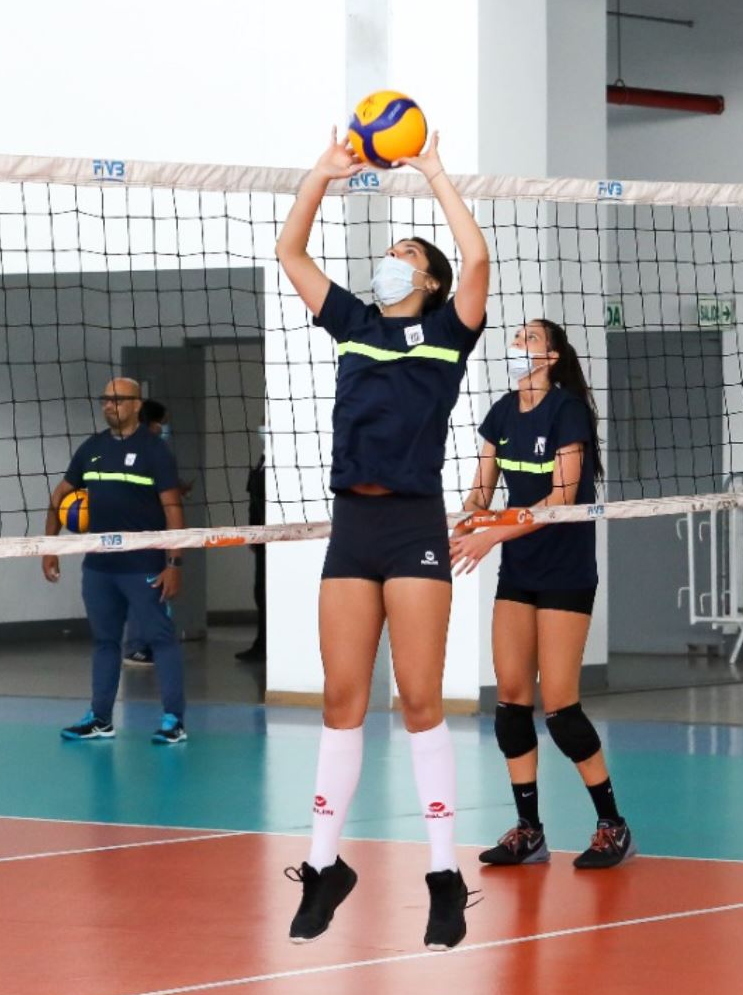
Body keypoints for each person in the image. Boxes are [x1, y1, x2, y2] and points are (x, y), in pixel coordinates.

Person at [275, 128, 489, 950]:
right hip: (353, 527)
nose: (390, 258)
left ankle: (443, 873)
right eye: (390, 249)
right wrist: (321, 174)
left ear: (427, 280)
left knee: (422, 700)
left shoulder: (449, 333)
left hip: (412, 524)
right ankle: (325, 865)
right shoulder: (354, 322)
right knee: (341, 701)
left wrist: (432, 170)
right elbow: (290, 251)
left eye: (406, 252)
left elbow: (476, 263)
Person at [453, 319, 634, 869]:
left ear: (552, 356)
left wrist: (492, 535)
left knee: (559, 706)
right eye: (515, 339)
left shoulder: (567, 410)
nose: (517, 346)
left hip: (565, 569)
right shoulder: (501, 412)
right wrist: (459, 525)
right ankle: (529, 830)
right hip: (519, 570)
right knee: (511, 701)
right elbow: (481, 491)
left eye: (529, 339)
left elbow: (559, 497)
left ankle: (612, 823)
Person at [43, 376, 189, 744]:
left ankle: (174, 720)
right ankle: (100, 718)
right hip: (99, 567)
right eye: (105, 399)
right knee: (104, 641)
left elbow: (173, 509)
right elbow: (60, 496)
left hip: (144, 565)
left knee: (160, 639)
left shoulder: (155, 451)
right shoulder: (91, 448)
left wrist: (174, 564)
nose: (109, 405)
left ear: (137, 405)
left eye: (118, 399)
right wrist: (49, 546)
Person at [125, 399, 192, 667]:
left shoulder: (147, 450)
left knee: (148, 589)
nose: (165, 429)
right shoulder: (148, 449)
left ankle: (144, 644)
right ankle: (138, 647)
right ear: (152, 424)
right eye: (162, 424)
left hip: (149, 532)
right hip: (142, 533)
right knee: (147, 589)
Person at [236, 442, 266, 663]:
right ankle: (261, 644)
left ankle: (265, 645)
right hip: (260, 537)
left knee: (266, 592)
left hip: (275, 537)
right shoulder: (262, 459)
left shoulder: (279, 460)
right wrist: (251, 532)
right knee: (260, 591)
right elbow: (252, 502)